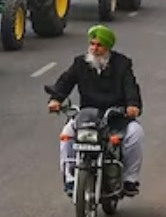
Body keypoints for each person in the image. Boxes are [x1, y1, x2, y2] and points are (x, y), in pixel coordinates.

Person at [47, 25, 144, 197]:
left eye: (99, 45)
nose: (94, 49)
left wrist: (132, 105)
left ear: (108, 47)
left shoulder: (122, 64)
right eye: (92, 44)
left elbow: (131, 86)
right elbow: (66, 81)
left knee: (136, 133)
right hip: (87, 116)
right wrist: (56, 99)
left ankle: (129, 179)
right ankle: (70, 179)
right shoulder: (80, 63)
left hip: (116, 116)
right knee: (66, 135)